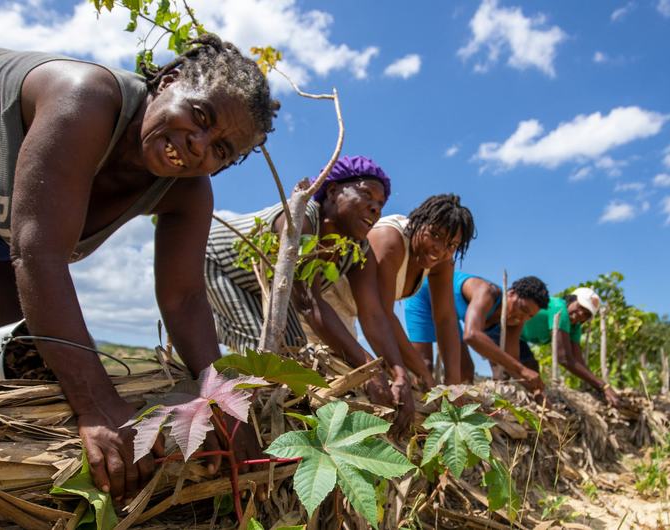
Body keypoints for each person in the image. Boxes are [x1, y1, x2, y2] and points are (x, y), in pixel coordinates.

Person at [0, 34, 277, 503]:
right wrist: (96, 406)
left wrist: (218, 398)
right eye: (200, 117)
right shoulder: (86, 100)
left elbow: (185, 298)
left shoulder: (187, 192)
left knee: (21, 323)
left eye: (221, 151)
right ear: (169, 81)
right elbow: (39, 255)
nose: (199, 146)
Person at [204, 156, 418, 435]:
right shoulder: (302, 219)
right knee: (269, 362)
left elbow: (374, 315)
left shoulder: (358, 249)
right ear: (332, 191)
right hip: (217, 264)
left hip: (266, 293)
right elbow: (307, 303)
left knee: (294, 353)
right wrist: (368, 371)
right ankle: (237, 425)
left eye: (381, 203)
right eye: (366, 194)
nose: (375, 207)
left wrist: (399, 373)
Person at [318, 194, 477, 390]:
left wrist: (453, 386)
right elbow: (381, 315)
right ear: (419, 222)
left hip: (353, 315)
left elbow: (446, 319)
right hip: (322, 304)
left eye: (451, 245)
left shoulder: (443, 260)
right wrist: (424, 374)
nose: (440, 249)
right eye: (435, 235)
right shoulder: (390, 240)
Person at [405, 273, 549, 393]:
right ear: (511, 294)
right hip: (423, 295)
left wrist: (535, 391)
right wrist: (523, 369)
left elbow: (512, 362)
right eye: (523, 309)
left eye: (529, 316)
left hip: (448, 311)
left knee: (465, 372)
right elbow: (472, 335)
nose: (522, 318)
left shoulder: (516, 320)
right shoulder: (487, 292)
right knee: (424, 366)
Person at [519, 287, 621, 407]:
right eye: (580, 307)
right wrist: (603, 385)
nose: (581, 314)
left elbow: (578, 361)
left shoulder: (574, 326)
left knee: (532, 371)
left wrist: (602, 388)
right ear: (571, 299)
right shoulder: (559, 309)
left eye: (586, 314)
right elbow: (564, 358)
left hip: (519, 338)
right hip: (506, 327)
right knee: (513, 370)